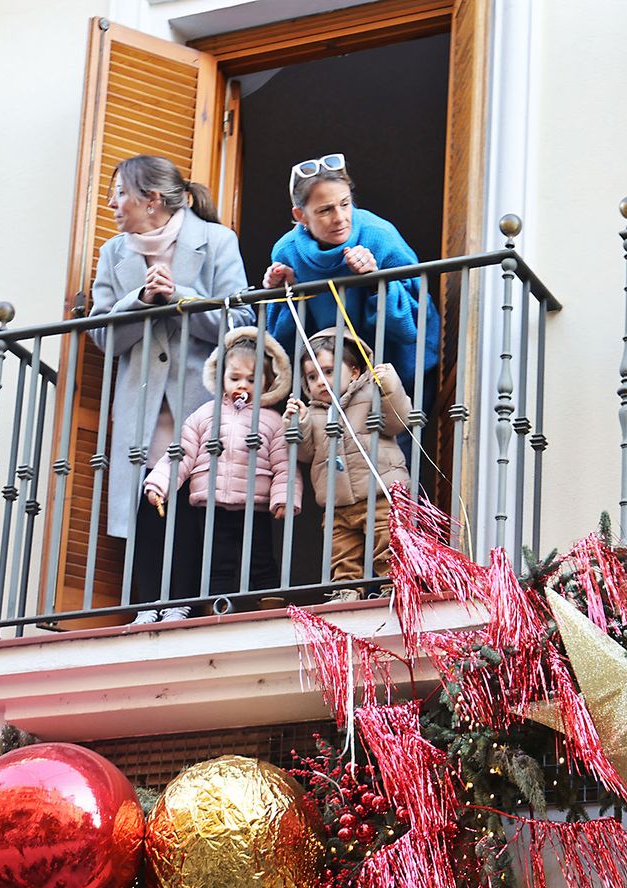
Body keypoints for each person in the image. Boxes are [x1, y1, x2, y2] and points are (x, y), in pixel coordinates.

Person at [89, 155, 253, 623]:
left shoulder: (216, 241)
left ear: (152, 200)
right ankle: (147, 603)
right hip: (140, 405)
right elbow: (101, 335)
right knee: (146, 497)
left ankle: (181, 601)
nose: (112, 203)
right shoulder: (113, 253)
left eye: (120, 193)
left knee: (193, 499)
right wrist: (139, 300)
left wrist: (180, 298)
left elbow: (241, 323)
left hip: (199, 401)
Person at [263, 155, 439, 396]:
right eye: (325, 210)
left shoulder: (379, 235)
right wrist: (285, 291)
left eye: (345, 204)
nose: (340, 218)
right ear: (300, 215)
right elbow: (283, 342)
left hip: (401, 376)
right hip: (335, 386)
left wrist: (376, 281)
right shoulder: (286, 252)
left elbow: (414, 322)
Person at [143, 327, 294, 604]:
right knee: (216, 562)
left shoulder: (272, 421)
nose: (242, 385)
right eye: (234, 378)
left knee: (260, 558)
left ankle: (271, 602)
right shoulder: (204, 415)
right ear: (221, 378)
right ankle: (216, 606)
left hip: (254, 506)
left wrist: (284, 498)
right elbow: (181, 453)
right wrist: (159, 483)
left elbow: (284, 465)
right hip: (213, 504)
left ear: (268, 382)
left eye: (252, 379)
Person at [284, 326, 412, 600]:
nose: (320, 381)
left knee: (387, 542)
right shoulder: (314, 413)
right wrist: (298, 424)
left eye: (328, 371)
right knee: (342, 552)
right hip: (337, 501)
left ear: (354, 371)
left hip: (379, 492)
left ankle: (393, 584)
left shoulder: (370, 394)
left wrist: (389, 386)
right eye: (312, 376)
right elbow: (305, 454)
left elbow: (398, 421)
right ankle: (346, 591)